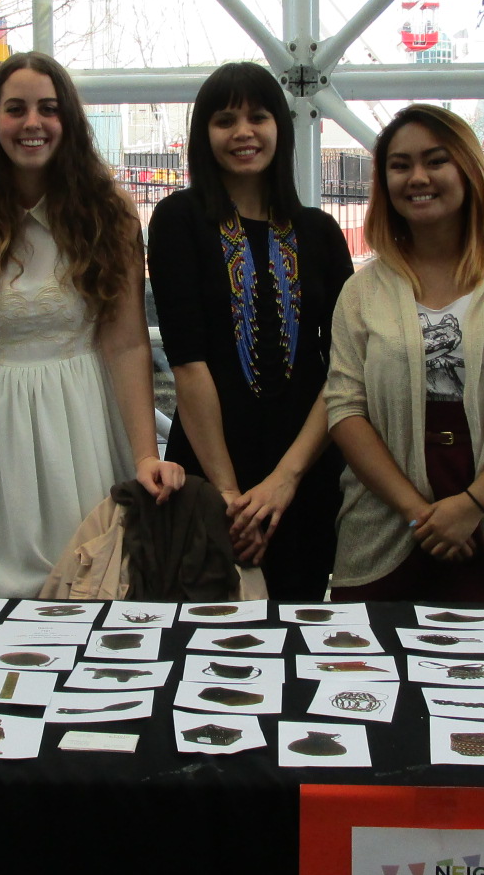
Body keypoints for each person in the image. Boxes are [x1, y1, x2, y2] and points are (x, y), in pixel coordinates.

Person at [0, 52, 183, 596]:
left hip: (85, 424)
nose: (32, 123)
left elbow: (127, 344)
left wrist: (145, 454)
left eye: (48, 108)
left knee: (90, 580)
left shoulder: (109, 214)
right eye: (15, 109)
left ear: (68, 120)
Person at [325, 104, 484, 604]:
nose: (417, 177)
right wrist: (418, 512)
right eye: (399, 166)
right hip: (384, 525)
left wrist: (471, 504)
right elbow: (345, 409)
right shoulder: (362, 292)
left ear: (468, 170)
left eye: (435, 160)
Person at [146, 63, 355, 601]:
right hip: (213, 471)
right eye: (225, 120)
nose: (244, 132)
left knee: (301, 629)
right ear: (203, 135)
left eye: (258, 116)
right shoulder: (178, 221)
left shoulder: (320, 233)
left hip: (305, 474)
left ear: (280, 128)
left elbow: (344, 370)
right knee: (206, 632)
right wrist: (228, 496)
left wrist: (285, 479)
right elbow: (188, 362)